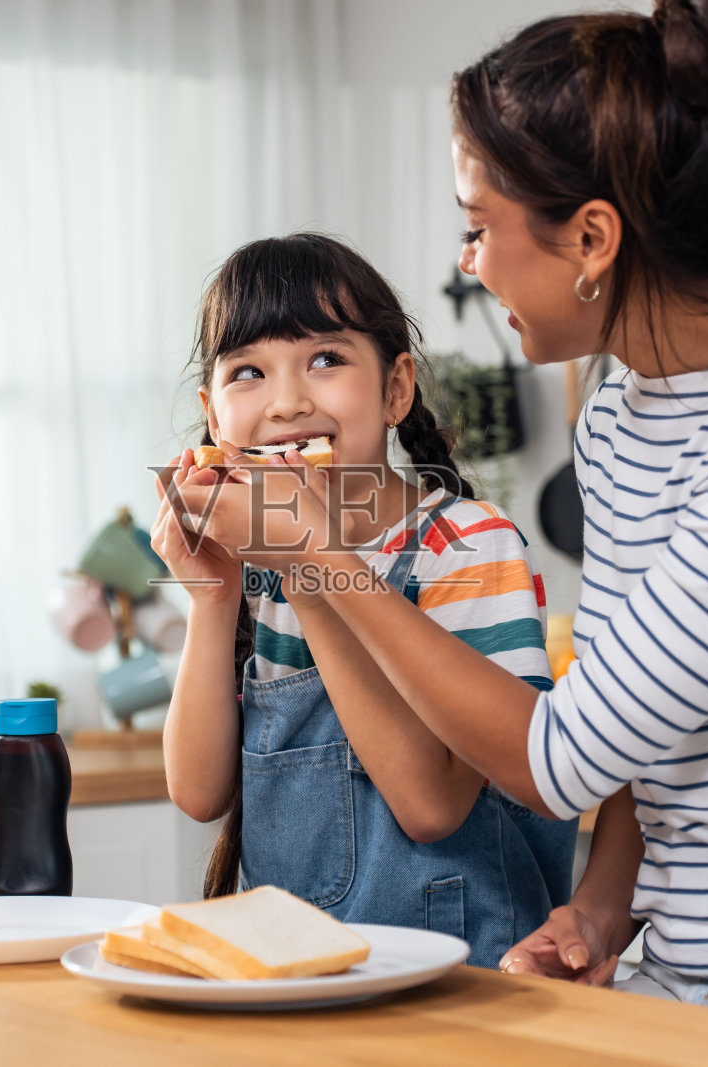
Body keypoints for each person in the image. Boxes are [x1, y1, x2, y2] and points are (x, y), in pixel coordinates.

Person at [168, 4, 708, 1064]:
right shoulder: (624, 410)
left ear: (590, 239)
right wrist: (600, 907)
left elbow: (559, 757)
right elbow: (640, 715)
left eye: (478, 224)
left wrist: (311, 555)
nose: (469, 262)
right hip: (690, 966)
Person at [149, 232, 578, 969]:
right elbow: (197, 792)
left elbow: (432, 807)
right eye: (248, 371)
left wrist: (309, 569)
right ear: (214, 417)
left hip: (465, 984)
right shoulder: (255, 567)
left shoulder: (466, 545)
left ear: (396, 389)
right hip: (302, 979)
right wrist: (212, 598)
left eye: (326, 359)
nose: (287, 401)